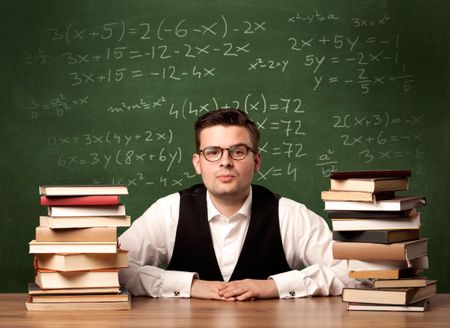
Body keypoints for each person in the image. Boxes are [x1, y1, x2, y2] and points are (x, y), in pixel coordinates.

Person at [118, 108, 352, 301]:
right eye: (213, 152)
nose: (225, 162)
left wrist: (275, 286)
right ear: (198, 163)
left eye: (238, 151)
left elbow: (352, 272)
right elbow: (114, 269)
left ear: (257, 161)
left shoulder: (289, 214)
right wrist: (188, 285)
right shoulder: (168, 211)